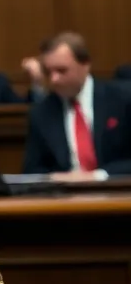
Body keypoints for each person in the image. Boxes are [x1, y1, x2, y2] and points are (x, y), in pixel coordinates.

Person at [22, 32, 131, 179]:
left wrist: (97, 176)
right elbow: (32, 170)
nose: (54, 79)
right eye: (49, 72)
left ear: (85, 65)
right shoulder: (42, 112)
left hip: (117, 193)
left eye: (62, 70)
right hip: (64, 196)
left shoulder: (121, 99)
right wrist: (52, 178)